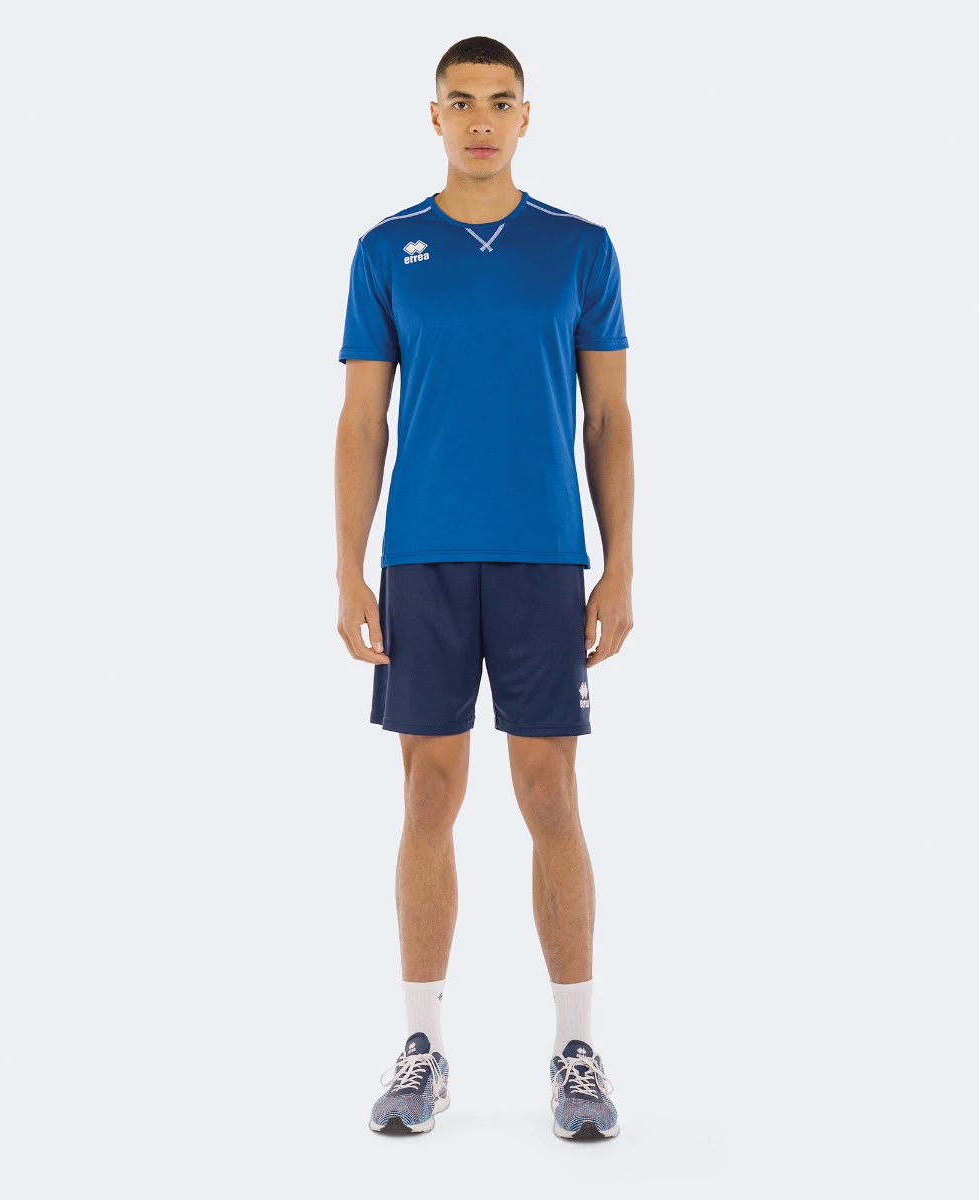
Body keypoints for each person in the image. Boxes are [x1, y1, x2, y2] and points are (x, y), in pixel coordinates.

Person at [334, 35, 634, 1141]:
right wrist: (348, 565)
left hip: (545, 556)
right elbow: (361, 421)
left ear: (524, 116)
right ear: (434, 116)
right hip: (422, 558)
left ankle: (576, 1049)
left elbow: (609, 418)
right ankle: (422, 1046)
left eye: (499, 102)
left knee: (551, 796)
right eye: (460, 102)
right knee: (428, 794)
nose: (479, 120)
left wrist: (621, 563)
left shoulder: (580, 248)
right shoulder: (387, 250)